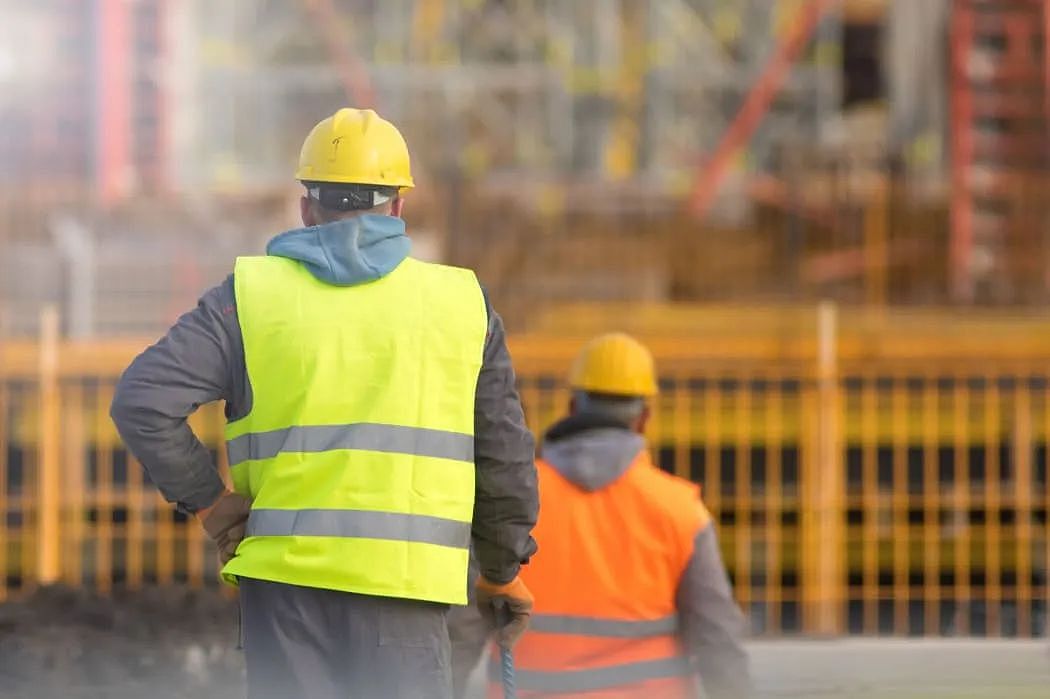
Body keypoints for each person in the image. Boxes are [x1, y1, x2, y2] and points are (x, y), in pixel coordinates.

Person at [110, 108, 538, 699]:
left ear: (307, 206)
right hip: (405, 598)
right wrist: (501, 572)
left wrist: (212, 505)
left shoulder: (249, 299)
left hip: (284, 602)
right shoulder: (460, 305)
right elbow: (503, 455)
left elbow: (142, 400)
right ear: (398, 206)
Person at [451, 332, 751, 698]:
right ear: (645, 416)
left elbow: (460, 633)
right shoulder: (680, 511)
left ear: (573, 406)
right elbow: (717, 641)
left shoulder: (511, 505)